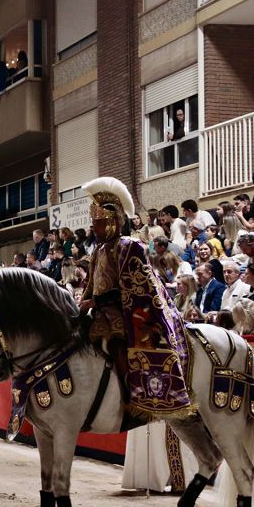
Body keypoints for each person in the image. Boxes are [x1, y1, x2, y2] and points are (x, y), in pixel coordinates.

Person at [79, 177, 193, 424]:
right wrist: (82, 301)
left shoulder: (129, 246)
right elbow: (90, 285)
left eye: (98, 223)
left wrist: (96, 304)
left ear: (113, 223)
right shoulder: (98, 251)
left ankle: (130, 393)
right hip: (101, 310)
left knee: (118, 342)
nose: (94, 229)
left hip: (126, 311)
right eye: (93, 223)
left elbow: (135, 288)